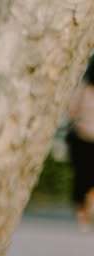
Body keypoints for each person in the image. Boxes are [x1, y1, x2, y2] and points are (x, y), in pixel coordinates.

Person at [67, 57, 94, 228]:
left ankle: (82, 213)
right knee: (86, 178)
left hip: (81, 137)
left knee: (82, 177)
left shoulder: (83, 89)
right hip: (83, 138)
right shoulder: (83, 90)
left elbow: (71, 111)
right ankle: (86, 209)